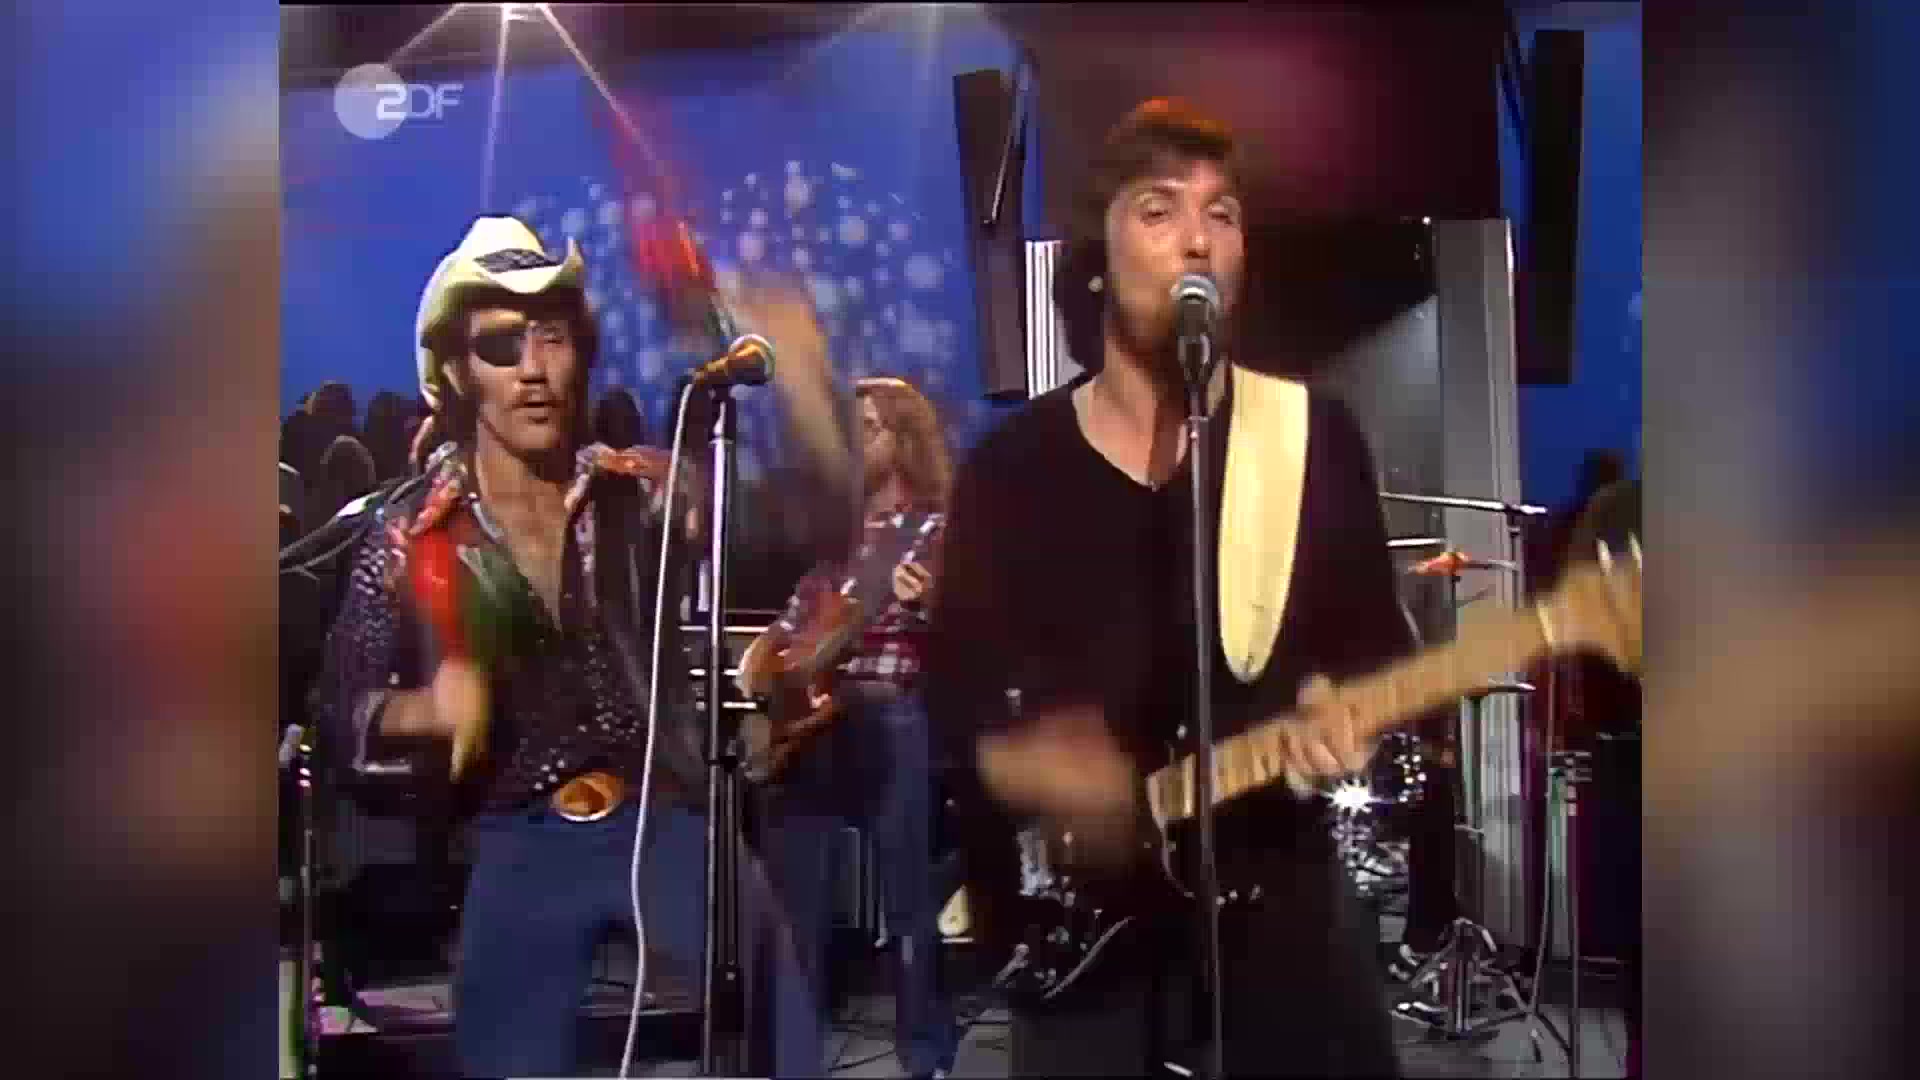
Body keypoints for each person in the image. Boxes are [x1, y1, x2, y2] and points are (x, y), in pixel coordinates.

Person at [923, 98, 1407, 1077]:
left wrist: (1342, 705)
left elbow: (1373, 652)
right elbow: (957, 700)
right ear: (1097, 257)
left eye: (1222, 213)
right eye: (1159, 208)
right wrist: (1029, 763)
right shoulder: (1012, 473)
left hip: (1285, 928)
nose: (1197, 238)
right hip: (1088, 943)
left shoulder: (1313, 440)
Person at [310, 215, 805, 1077]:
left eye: (552, 338)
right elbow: (337, 711)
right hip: (517, 831)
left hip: (660, 814)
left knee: (776, 1006)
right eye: (501, 346)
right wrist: (424, 709)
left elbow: (784, 536)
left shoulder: (634, 495)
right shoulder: (410, 532)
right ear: (456, 372)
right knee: (506, 1055)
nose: (533, 369)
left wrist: (721, 461)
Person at [737, 375, 962, 1080]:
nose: (855, 443)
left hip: (892, 716)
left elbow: (971, 631)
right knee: (794, 902)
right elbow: (792, 622)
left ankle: (925, 1055)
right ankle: (790, 1055)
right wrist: (763, 660)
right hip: (815, 730)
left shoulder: (935, 531)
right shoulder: (838, 539)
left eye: (869, 429)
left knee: (907, 904)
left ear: (904, 439)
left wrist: (928, 608)